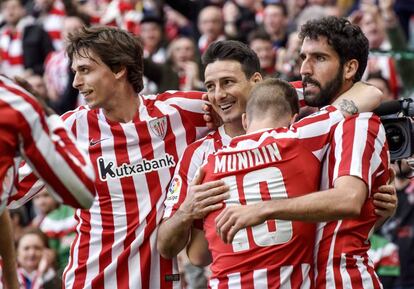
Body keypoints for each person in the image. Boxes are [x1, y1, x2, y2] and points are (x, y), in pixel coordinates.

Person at [13, 26, 216, 289]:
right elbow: (12, 190)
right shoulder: (71, 129)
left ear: (119, 69)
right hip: (92, 280)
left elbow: (258, 100)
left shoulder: (177, 112)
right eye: (75, 72)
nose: (75, 82)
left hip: (162, 280)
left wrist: (227, 111)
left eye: (85, 70)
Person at [157, 39, 392, 262]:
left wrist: (378, 214)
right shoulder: (199, 154)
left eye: (228, 82)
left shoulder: (298, 131)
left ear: (257, 81)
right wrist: (187, 211)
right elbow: (188, 253)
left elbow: (369, 91)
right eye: (210, 86)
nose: (218, 94)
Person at [213, 16, 394, 288]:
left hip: (344, 281)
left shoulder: (360, 122)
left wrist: (264, 209)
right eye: (303, 58)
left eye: (319, 58)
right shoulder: (309, 125)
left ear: (350, 68)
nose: (305, 69)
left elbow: (348, 200)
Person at [187, 78, 350, 287]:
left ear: (245, 120)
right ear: (294, 119)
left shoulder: (206, 167)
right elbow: (368, 95)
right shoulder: (298, 138)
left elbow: (198, 256)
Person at [0, 74, 96, 289]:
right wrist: (45, 115)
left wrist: (12, 283)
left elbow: (3, 205)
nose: (76, 82)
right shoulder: (13, 102)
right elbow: (82, 192)